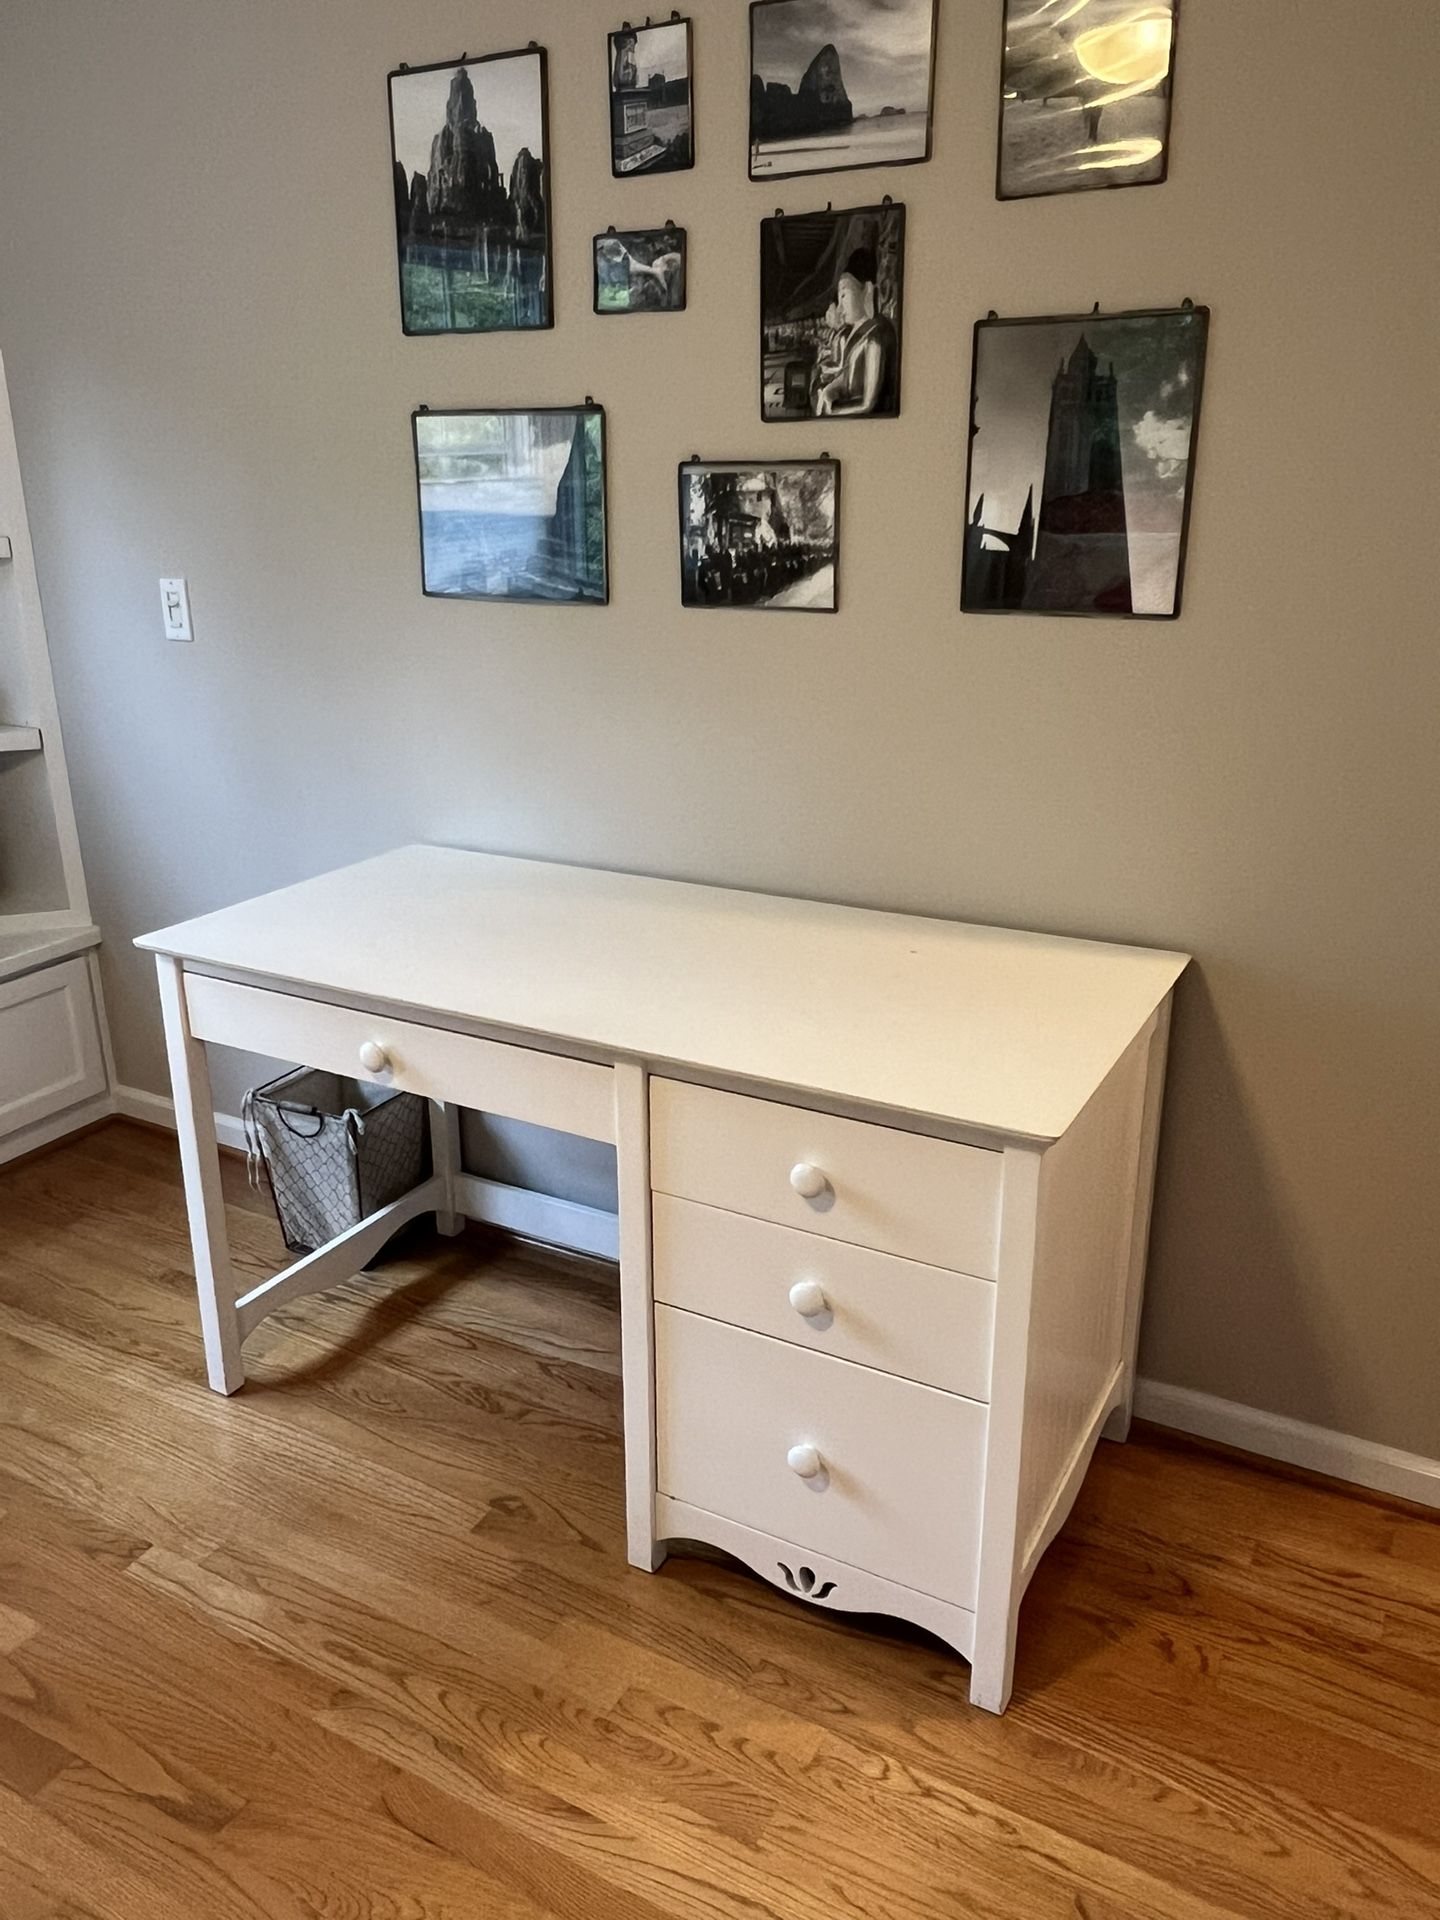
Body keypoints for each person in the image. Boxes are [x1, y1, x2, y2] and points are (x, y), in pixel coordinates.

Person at [815, 246, 898, 417]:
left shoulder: (876, 336)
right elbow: (847, 375)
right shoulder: (856, 333)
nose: (840, 308)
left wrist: (833, 410)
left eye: (844, 295)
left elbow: (868, 404)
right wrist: (830, 390)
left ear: (866, 290)